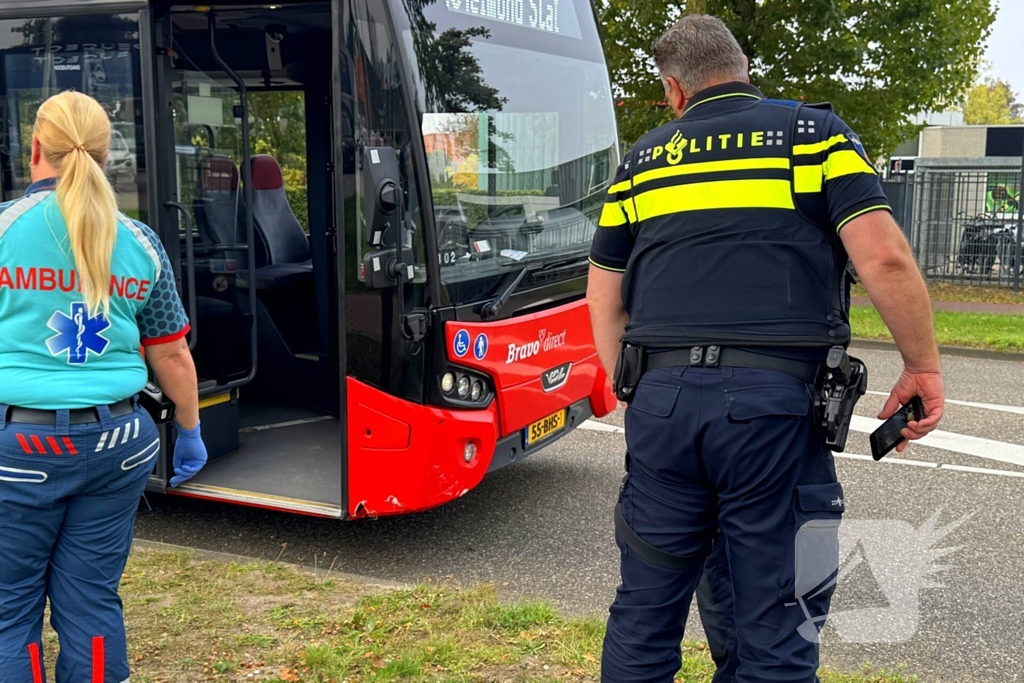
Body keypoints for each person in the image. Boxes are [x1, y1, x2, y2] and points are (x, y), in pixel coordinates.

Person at [587, 14, 945, 683]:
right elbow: (886, 260)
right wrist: (922, 366)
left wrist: (634, 390)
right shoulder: (814, 137)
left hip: (662, 406)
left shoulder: (641, 161)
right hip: (774, 410)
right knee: (779, 620)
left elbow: (603, 294)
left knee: (644, 612)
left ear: (674, 90)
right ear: (743, 70)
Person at [0, 91, 209, 683]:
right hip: (121, 443)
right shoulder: (139, 241)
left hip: (18, 448)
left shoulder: (5, 228)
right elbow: (171, 353)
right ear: (105, 153)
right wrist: (190, 431)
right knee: (91, 599)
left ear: (34, 149)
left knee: (9, 609)